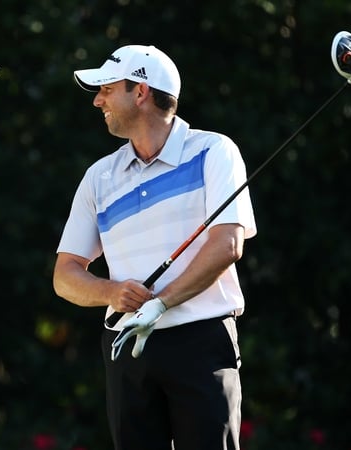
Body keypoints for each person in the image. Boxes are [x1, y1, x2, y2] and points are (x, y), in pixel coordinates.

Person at [53, 44, 257, 450]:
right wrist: (113, 292)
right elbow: (66, 275)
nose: (98, 101)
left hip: (200, 342)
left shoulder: (214, 151)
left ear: (140, 91)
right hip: (128, 348)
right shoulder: (99, 177)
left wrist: (161, 303)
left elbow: (227, 244)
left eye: (107, 89)